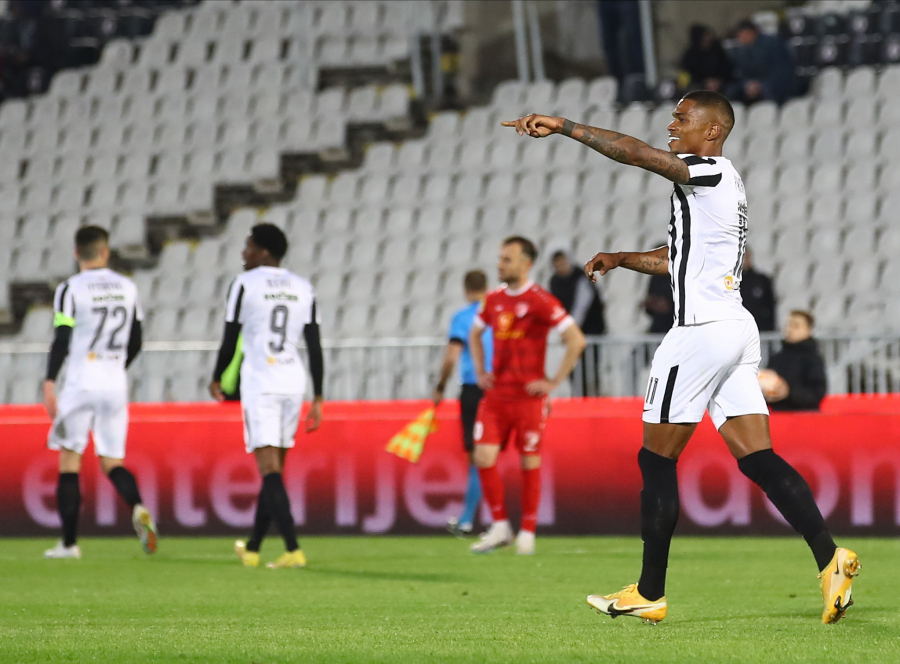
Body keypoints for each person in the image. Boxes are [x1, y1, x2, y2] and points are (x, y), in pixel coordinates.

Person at [502, 90, 859, 624]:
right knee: (757, 457)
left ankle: (649, 592)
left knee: (656, 460)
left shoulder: (707, 171)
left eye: (682, 118)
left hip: (699, 333)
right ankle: (830, 559)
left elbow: (635, 153)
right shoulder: (723, 183)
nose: (672, 125)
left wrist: (563, 126)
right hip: (734, 329)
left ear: (712, 130)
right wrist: (623, 257)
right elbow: (680, 257)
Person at [210, 223, 324, 569]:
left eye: (248, 246)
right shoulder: (303, 287)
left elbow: (231, 336)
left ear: (263, 251)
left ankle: (293, 549)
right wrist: (319, 395)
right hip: (293, 382)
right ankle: (253, 548)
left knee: (269, 470)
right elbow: (314, 345)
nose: (243, 253)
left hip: (261, 382)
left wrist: (217, 376)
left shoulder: (244, 284)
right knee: (274, 471)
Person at [42, 226, 157, 559]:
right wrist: (118, 366)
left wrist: (49, 381)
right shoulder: (127, 287)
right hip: (114, 383)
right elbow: (137, 340)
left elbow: (62, 338)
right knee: (112, 461)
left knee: (70, 459)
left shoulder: (70, 289)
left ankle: (68, 544)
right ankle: (137, 506)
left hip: (81, 381)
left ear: (76, 253)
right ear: (105, 252)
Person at [469, 237, 586, 555]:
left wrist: (553, 382)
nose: (500, 264)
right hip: (496, 396)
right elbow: (475, 333)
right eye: (500, 258)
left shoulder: (540, 300)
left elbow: (576, 340)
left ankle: (528, 532)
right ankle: (500, 526)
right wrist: (480, 371)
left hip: (527, 398)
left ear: (526, 264)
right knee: (483, 457)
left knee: (529, 460)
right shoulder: (493, 299)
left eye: (507, 259)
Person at [432, 270, 493, 537]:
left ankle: (470, 520)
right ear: (486, 287)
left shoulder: (462, 318)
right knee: (490, 453)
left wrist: (440, 386)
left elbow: (451, 357)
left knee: (477, 456)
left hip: (473, 389)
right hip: (498, 389)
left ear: (466, 289)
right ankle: (486, 519)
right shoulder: (497, 315)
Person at [549, 250, 605, 395]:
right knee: (574, 370)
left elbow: (581, 307)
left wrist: (569, 330)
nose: (560, 267)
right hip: (573, 333)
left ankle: (593, 399)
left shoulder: (583, 278)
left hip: (591, 331)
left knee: (590, 369)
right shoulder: (555, 282)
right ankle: (580, 399)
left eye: (562, 262)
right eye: (557, 264)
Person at [760, 310, 826, 411]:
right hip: (779, 416)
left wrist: (789, 392)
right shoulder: (777, 358)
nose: (790, 329)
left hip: (806, 416)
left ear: (808, 330)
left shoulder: (813, 359)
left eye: (796, 326)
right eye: (788, 325)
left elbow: (816, 393)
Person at [726, 20, 796, 105]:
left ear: (754, 32)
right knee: (731, 91)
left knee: (768, 90)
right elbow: (739, 72)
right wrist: (747, 84)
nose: (742, 38)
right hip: (752, 83)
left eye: (745, 34)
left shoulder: (772, 44)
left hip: (775, 82)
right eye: (740, 35)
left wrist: (760, 84)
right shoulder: (739, 51)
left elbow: (781, 69)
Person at [680, 24, 733, 93]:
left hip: (719, 82)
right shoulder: (690, 55)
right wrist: (704, 81)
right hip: (699, 84)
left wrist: (718, 80)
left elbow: (726, 67)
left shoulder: (717, 50)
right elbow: (688, 73)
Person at [740, 247, 776, 332]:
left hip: (760, 329)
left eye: (745, 256)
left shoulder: (762, 280)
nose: (743, 260)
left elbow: (771, 306)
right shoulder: (731, 282)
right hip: (739, 329)